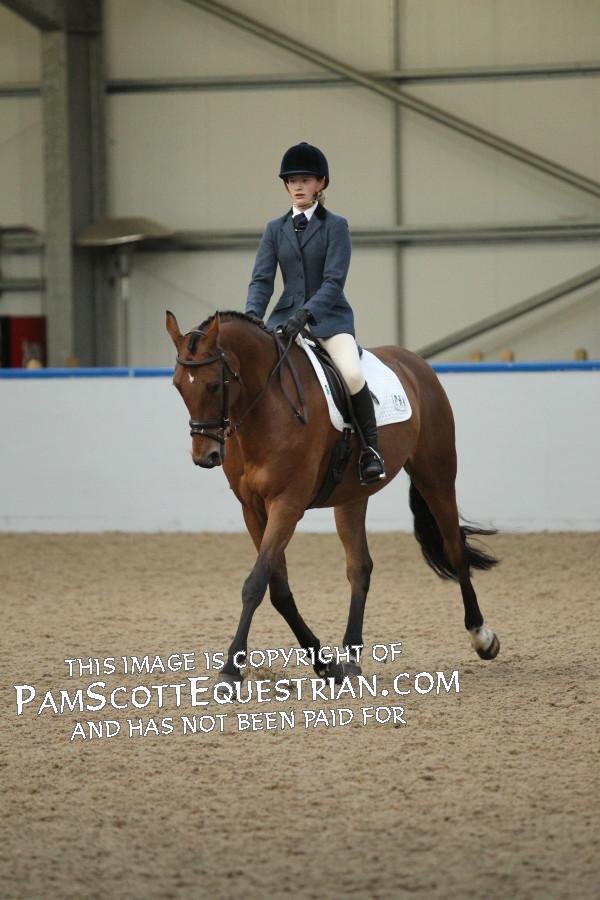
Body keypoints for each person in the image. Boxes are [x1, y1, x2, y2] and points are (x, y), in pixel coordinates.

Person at [244, 141, 386, 485]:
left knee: (352, 375)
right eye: (292, 181)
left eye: (305, 180)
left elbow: (334, 281)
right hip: (283, 320)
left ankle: (370, 451)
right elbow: (262, 280)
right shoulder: (274, 229)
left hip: (329, 320)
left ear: (320, 183)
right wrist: (251, 319)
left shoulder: (336, 226)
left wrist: (306, 314)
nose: (298, 186)